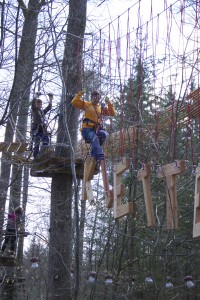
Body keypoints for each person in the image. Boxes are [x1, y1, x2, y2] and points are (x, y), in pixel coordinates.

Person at [71, 90, 115, 164]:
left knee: (103, 134)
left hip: (96, 130)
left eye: (98, 98)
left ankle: (94, 155)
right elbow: (74, 102)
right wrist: (80, 93)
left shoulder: (101, 108)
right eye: (94, 97)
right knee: (95, 138)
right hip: (87, 130)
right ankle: (99, 155)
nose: (96, 99)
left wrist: (108, 103)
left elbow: (112, 113)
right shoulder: (86, 104)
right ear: (92, 98)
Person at [31, 92, 53, 158]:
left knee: (46, 140)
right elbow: (32, 104)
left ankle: (43, 154)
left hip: (42, 128)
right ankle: (35, 156)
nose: (39, 105)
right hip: (36, 127)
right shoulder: (34, 110)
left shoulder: (42, 112)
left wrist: (50, 98)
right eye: (38, 104)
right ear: (36, 104)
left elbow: (49, 107)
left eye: (40, 104)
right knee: (37, 142)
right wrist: (36, 96)